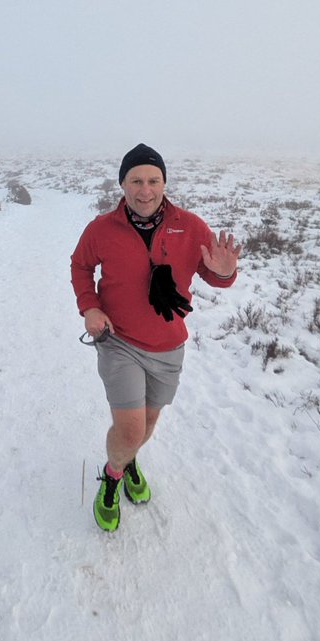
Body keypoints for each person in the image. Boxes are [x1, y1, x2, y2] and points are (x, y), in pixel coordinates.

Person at [70, 144, 240, 532]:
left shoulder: (191, 226)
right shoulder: (101, 229)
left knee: (147, 425)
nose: (144, 190)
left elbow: (214, 274)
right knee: (130, 429)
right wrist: (90, 307)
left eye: (153, 180)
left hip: (168, 346)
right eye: (135, 181)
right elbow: (80, 266)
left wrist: (225, 273)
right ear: (122, 184)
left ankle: (127, 459)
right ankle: (113, 475)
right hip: (119, 341)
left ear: (164, 183)